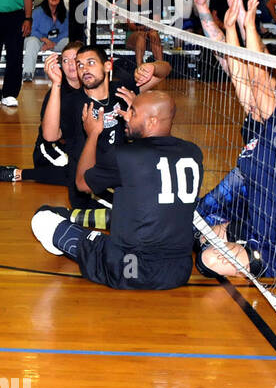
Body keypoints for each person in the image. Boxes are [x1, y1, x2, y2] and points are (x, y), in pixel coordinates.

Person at [190, 0, 276, 280]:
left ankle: (250, 250)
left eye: (270, 76)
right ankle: (241, 238)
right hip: (255, 215)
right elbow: (237, 71)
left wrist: (245, 26)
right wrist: (210, 13)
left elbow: (255, 78)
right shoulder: (259, 116)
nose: (257, 74)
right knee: (197, 234)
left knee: (206, 259)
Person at [31, 88, 203, 291]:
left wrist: (93, 134)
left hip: (130, 270)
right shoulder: (193, 152)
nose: (125, 116)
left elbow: (82, 183)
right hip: (178, 271)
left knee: (42, 218)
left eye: (133, 112)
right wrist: (139, 107)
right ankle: (77, 220)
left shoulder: (126, 156)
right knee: (135, 207)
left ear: (152, 121)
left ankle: (71, 235)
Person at [42, 42, 170, 218]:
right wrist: (56, 83)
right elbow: (49, 136)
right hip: (91, 187)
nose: (84, 68)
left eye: (91, 63)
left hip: (122, 178)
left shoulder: (122, 90)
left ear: (107, 66)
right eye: (80, 65)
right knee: (147, 211)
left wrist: (152, 66)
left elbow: (165, 71)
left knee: (165, 197)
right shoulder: (71, 102)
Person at [0, 40, 84, 185]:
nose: (70, 64)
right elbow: (54, 136)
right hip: (52, 148)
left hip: (78, 146)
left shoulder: (92, 87)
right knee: (76, 173)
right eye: (65, 60)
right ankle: (17, 174)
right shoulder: (56, 94)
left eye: (75, 59)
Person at [24, 0, 66, 81]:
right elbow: (32, 30)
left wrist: (53, 44)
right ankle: (28, 73)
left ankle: (67, 72)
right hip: (39, 41)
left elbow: (66, 32)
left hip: (56, 43)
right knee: (32, 41)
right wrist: (46, 41)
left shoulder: (65, 13)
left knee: (68, 41)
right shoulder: (37, 12)